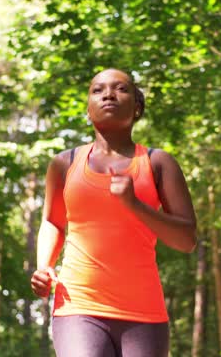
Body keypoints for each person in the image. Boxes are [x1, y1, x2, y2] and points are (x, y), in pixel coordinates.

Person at [30, 68, 197, 357]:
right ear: (88, 108)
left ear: (137, 107)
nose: (108, 94)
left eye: (121, 89)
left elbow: (187, 239)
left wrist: (134, 205)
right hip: (78, 305)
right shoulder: (63, 164)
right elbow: (52, 222)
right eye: (98, 90)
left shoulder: (158, 163)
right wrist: (44, 266)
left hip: (144, 313)